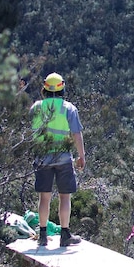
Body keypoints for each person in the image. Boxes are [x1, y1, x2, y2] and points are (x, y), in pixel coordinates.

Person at [30, 72, 86, 247]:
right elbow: (76, 134)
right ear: (62, 88)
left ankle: (42, 234)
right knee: (64, 197)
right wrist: (81, 156)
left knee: (44, 197)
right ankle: (64, 234)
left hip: (42, 159)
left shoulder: (36, 108)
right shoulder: (69, 108)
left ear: (44, 88)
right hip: (63, 158)